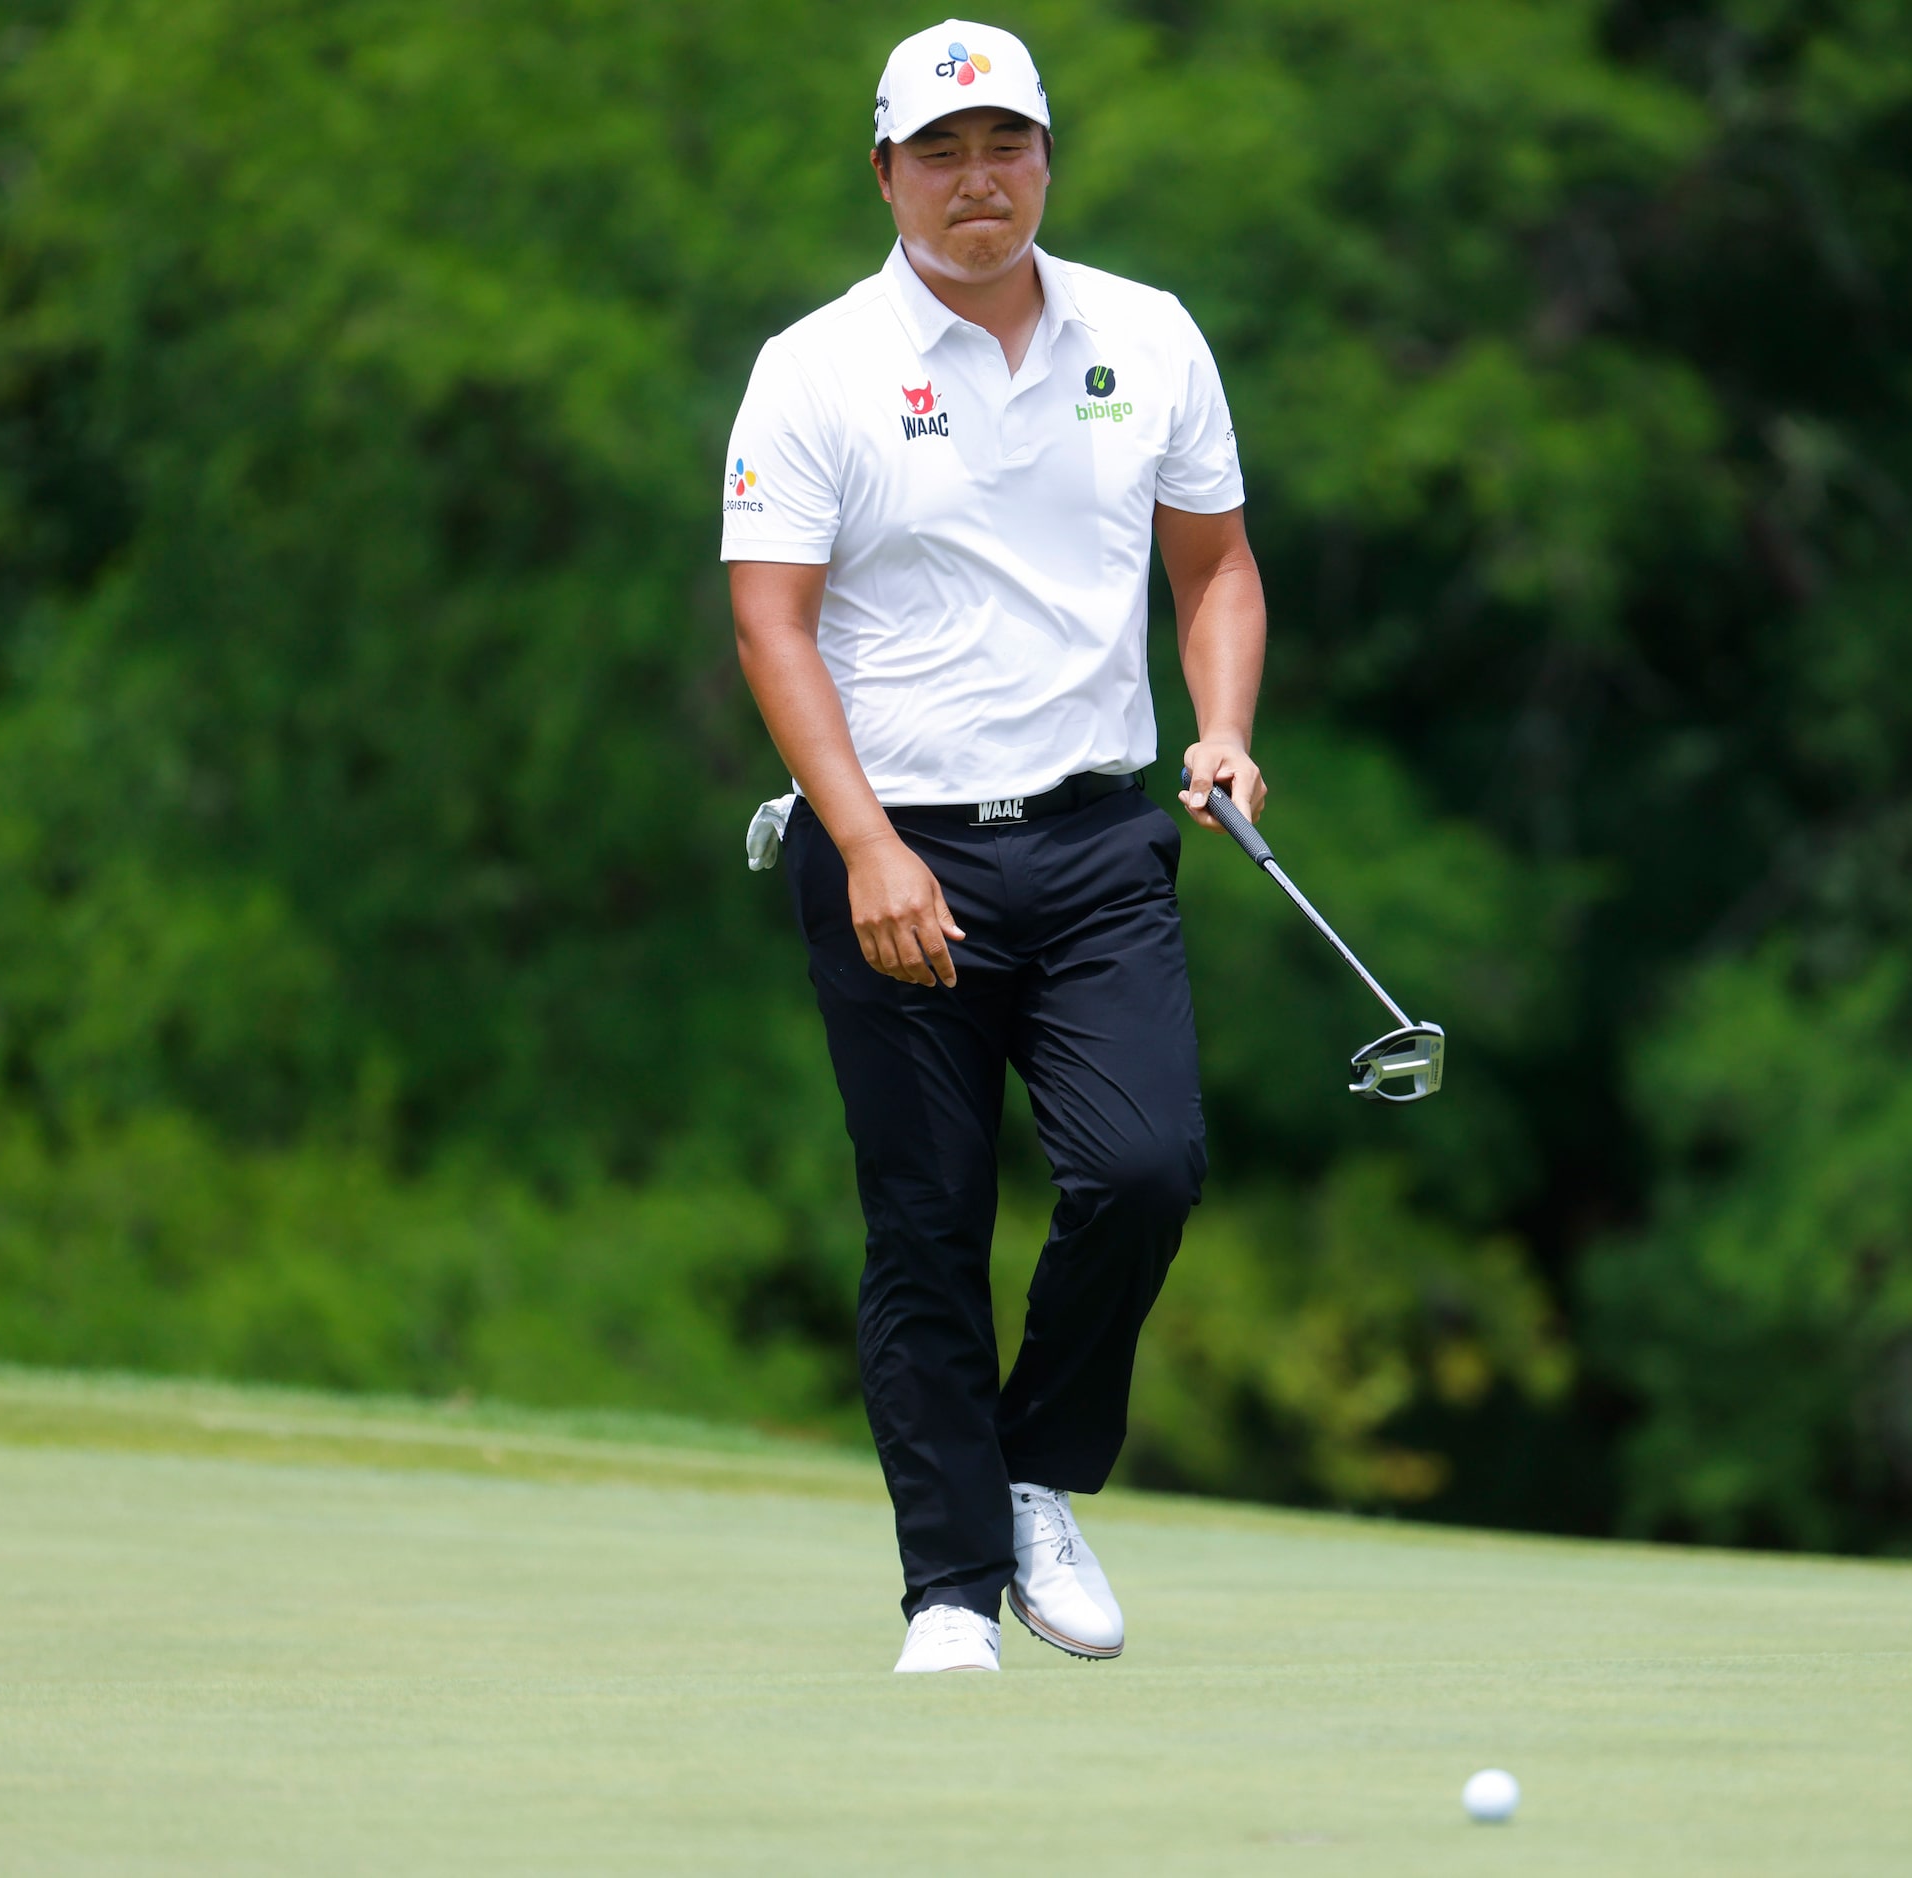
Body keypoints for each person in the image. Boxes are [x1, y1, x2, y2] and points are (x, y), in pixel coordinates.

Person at [722, 19, 1269, 1672]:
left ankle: (1037, 1473)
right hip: (895, 848)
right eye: (944, 154)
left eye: (1008, 147)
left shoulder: (1149, 337)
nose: (981, 182)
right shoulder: (814, 366)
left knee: (1146, 1168)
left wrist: (1226, 726)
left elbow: (1216, 567)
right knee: (929, 1217)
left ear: (1048, 156)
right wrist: (867, 840)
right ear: (888, 173)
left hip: (1099, 838)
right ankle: (951, 1591)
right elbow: (771, 625)